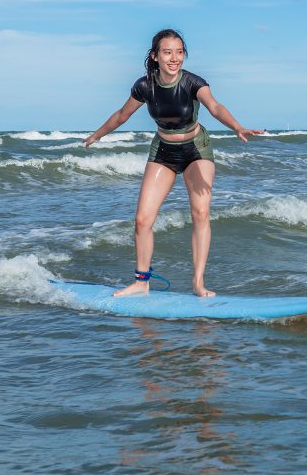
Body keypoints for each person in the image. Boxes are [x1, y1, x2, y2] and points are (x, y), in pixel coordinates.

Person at [84, 29, 264, 298]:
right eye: (168, 52)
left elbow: (214, 107)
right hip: (163, 149)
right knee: (142, 219)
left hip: (195, 149)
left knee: (200, 213)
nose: (174, 58)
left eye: (179, 52)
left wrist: (237, 126)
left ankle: (198, 282)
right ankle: (141, 281)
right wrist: (97, 135)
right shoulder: (145, 86)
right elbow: (122, 115)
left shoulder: (193, 82)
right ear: (155, 56)